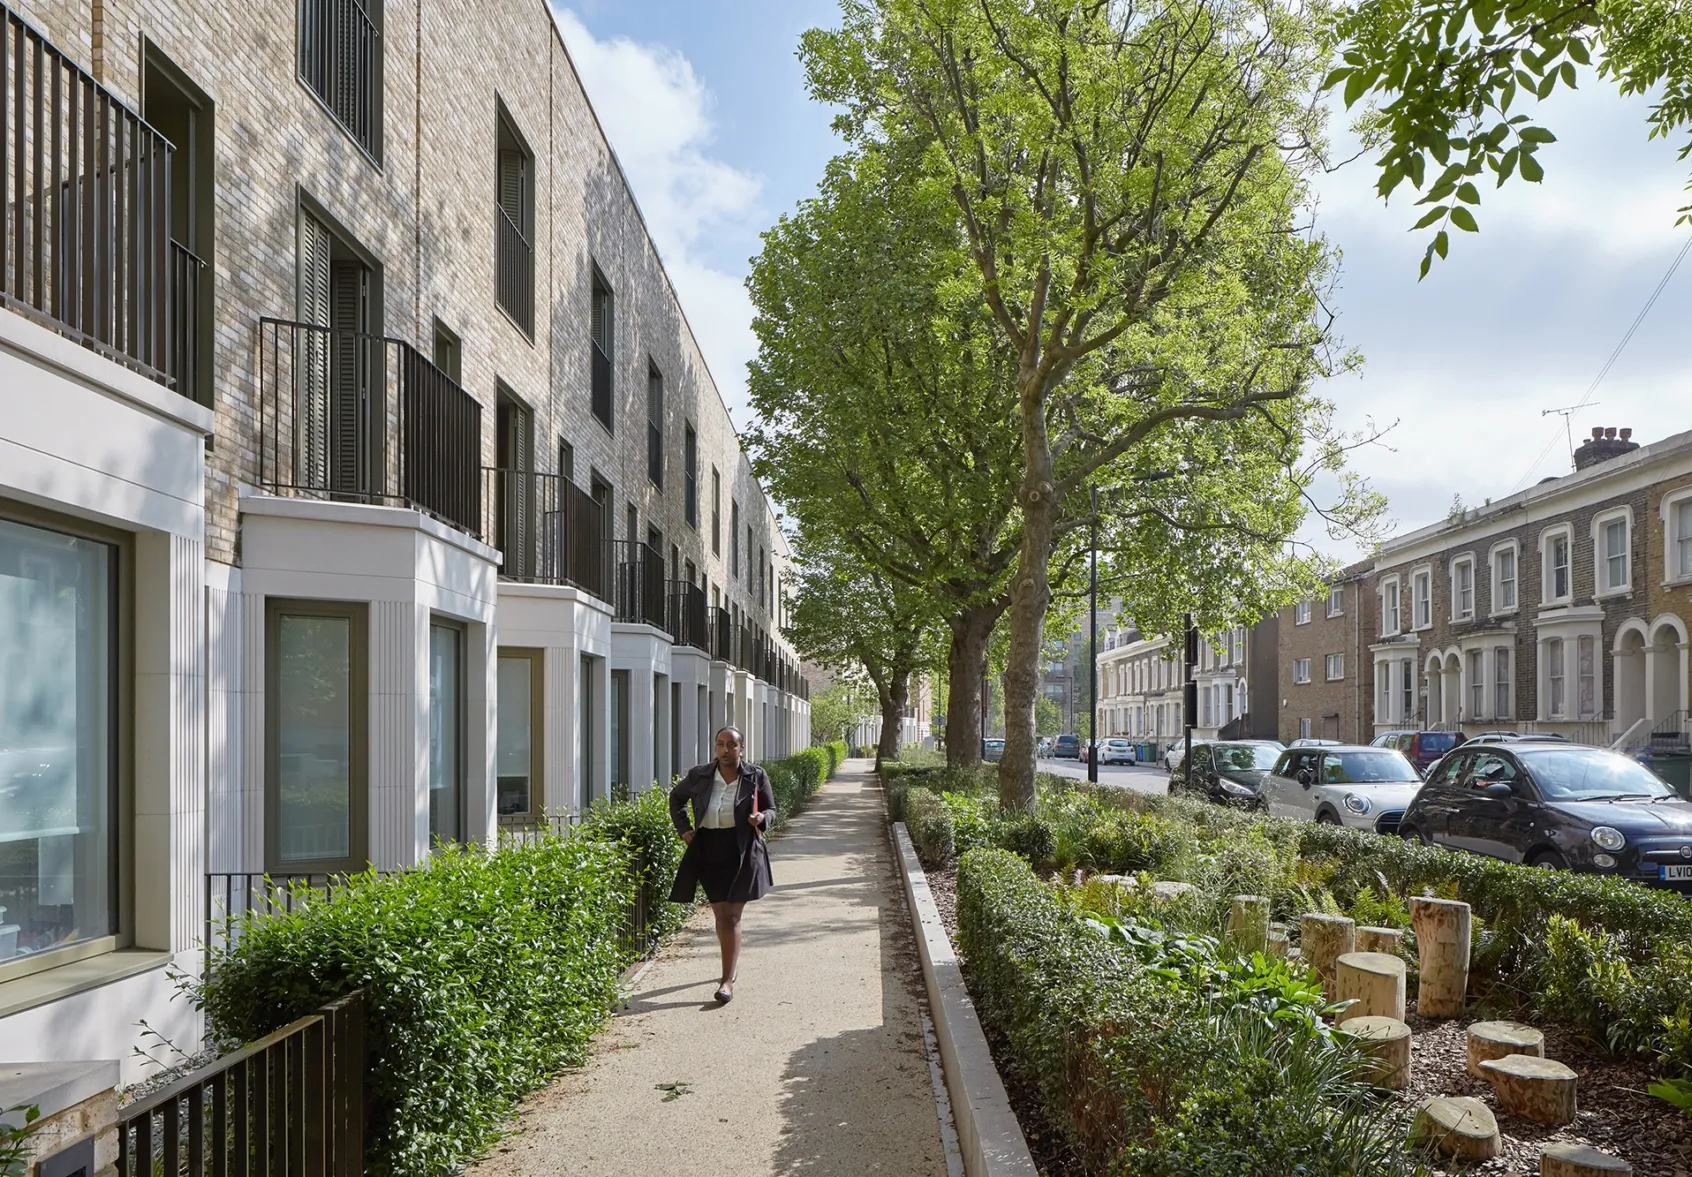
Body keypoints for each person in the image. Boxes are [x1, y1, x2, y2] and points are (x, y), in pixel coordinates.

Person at [668, 726, 775, 1003]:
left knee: (732, 916)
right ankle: (732, 960)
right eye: (720, 744)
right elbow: (676, 798)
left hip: (742, 849)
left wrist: (761, 818)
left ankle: (726, 981)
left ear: (741, 748)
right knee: (721, 915)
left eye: (731, 745)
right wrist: (684, 829)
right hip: (709, 849)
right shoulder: (700, 775)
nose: (725, 750)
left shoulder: (755, 775)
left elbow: (771, 809)